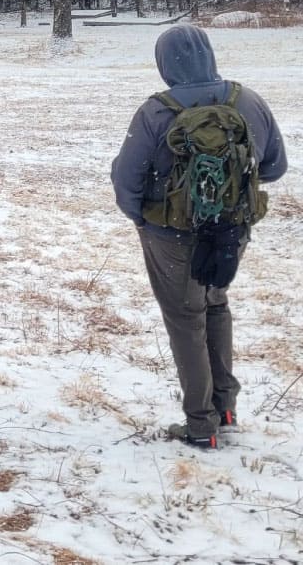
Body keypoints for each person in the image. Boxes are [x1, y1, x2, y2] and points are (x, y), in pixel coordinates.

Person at [111, 25, 287, 449]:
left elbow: (126, 180)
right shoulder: (247, 101)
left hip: (170, 234)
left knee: (185, 319)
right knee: (215, 305)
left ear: (164, 63)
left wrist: (145, 220)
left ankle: (200, 424)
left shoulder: (155, 112)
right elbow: (275, 167)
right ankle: (225, 409)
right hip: (230, 230)